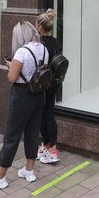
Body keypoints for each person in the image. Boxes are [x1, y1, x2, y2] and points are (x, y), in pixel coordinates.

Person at [0, 21, 48, 192]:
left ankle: (0, 177)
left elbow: (12, 77)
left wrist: (10, 66)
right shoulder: (43, 49)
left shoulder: (22, 52)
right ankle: (29, 170)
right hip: (39, 94)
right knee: (32, 132)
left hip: (22, 96)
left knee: (11, 135)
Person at [37, 9, 61, 164]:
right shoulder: (55, 41)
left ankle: (49, 147)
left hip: (43, 83)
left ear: (40, 27)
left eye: (36, 25)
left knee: (42, 114)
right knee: (49, 114)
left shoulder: (40, 44)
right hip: (53, 82)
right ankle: (50, 147)